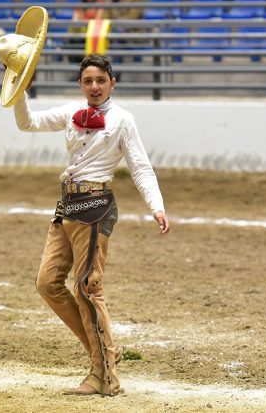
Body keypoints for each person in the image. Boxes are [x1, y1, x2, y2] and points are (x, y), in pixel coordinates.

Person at [9, 54, 170, 396]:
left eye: (100, 80)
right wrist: (20, 87)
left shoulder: (123, 120)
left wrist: (156, 205)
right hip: (68, 204)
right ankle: (105, 354)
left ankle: (105, 376)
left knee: (87, 289)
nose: (94, 87)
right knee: (47, 283)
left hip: (96, 204)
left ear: (112, 83)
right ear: (80, 85)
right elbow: (28, 123)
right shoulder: (70, 112)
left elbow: (140, 166)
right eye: (87, 81)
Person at [67, 0, 105, 65]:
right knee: (72, 41)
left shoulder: (100, 3)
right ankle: (78, 70)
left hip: (95, 35)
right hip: (81, 35)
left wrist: (83, 21)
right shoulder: (80, 5)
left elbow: (97, 22)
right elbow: (75, 23)